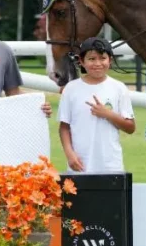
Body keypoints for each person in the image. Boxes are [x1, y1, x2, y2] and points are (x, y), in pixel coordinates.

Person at [58, 37, 135, 173]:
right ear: (81, 61)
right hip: (79, 164)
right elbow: (64, 127)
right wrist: (70, 154)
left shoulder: (119, 88)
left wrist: (107, 114)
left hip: (110, 165)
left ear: (110, 60)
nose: (97, 63)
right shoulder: (71, 89)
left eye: (102, 58)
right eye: (92, 59)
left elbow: (130, 127)